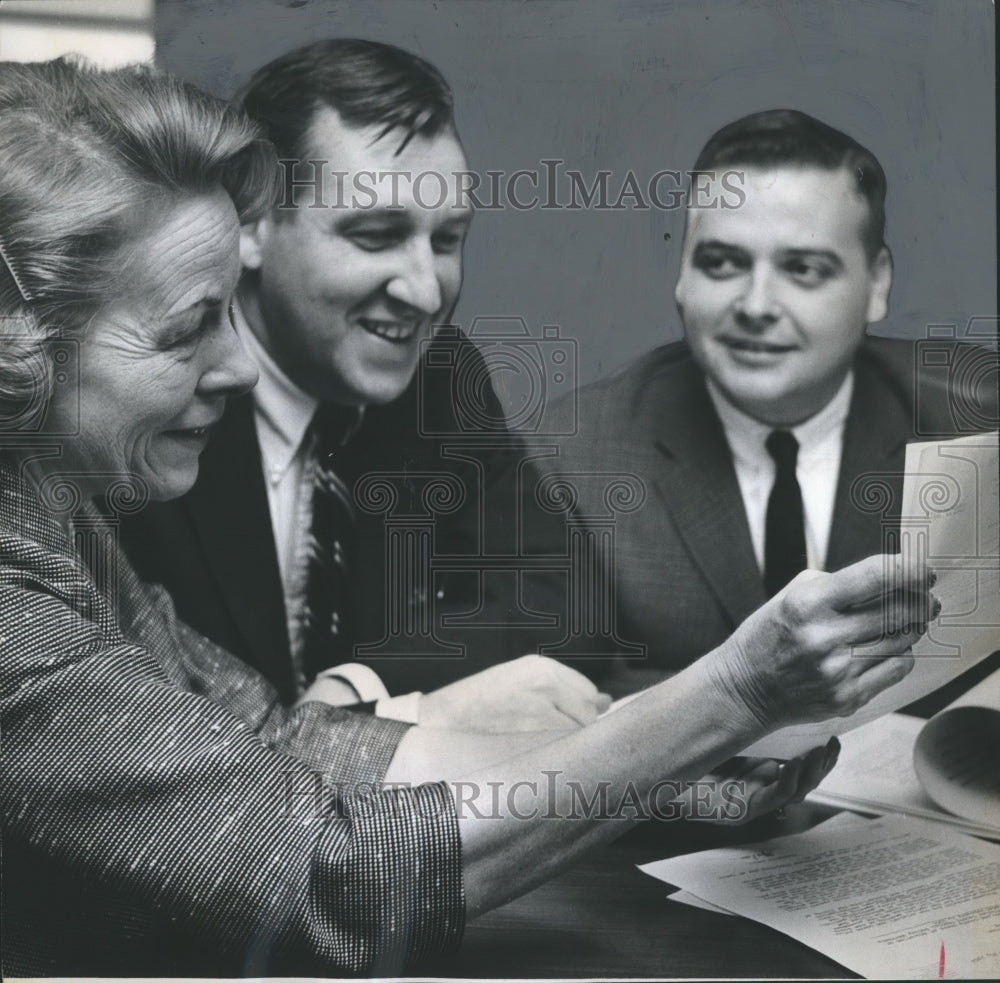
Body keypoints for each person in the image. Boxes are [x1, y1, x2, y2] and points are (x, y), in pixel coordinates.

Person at [1, 58, 932, 977]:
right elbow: (334, 877)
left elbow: (278, 744)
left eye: (447, 237)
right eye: (185, 329)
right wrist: (733, 695)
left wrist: (670, 762)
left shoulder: (62, 515)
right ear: (19, 339)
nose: (235, 366)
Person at [119, 39, 540, 718]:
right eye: (376, 236)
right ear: (251, 224)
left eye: (446, 240)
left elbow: (557, 597)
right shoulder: (143, 397)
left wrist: (359, 686)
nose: (427, 293)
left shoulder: (441, 376)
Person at [510, 109, 996, 694]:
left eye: (803, 269)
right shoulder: (568, 456)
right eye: (722, 263)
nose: (757, 304)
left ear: (878, 284)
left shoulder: (977, 420)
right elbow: (563, 698)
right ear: (682, 277)